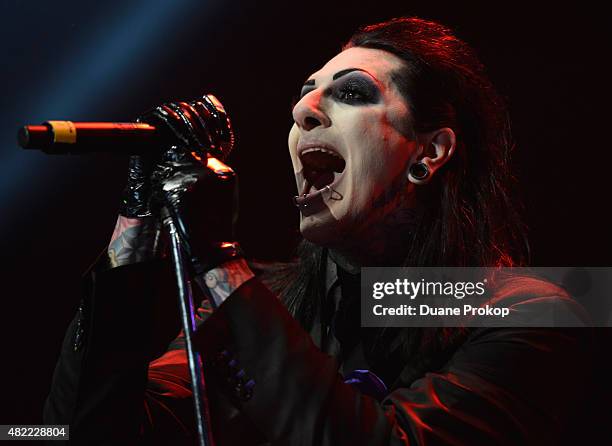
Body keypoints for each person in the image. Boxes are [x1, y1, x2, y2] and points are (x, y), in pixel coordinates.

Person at [43, 17, 593, 445]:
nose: (305, 108)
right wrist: (136, 226)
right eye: (303, 95)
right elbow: (88, 433)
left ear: (428, 154)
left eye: (351, 93)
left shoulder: (533, 312)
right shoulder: (258, 301)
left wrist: (217, 260)